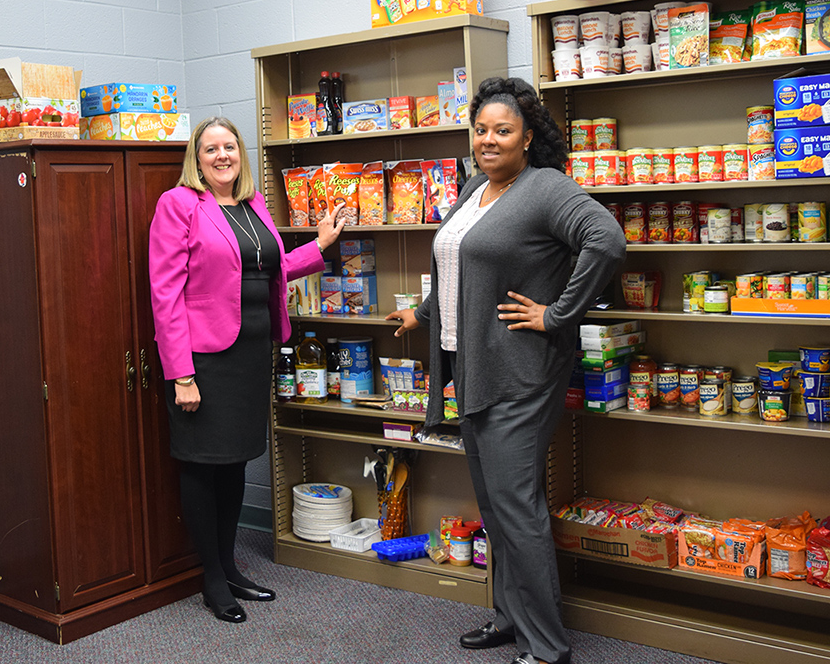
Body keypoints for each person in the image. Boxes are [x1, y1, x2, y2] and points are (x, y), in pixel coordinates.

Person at [386, 77, 625, 664]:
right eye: (481, 129)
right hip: (471, 368)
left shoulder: (545, 187)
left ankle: (548, 647)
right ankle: (510, 619)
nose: (488, 140)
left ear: (527, 138)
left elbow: (608, 239)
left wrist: (557, 315)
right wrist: (421, 314)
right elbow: (457, 266)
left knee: (516, 508)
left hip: (520, 372)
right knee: (496, 506)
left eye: (503, 131)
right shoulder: (475, 187)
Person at [149, 116, 346, 624]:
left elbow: (267, 267)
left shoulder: (253, 204)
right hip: (205, 359)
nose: (222, 156)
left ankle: (230, 566)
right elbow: (165, 293)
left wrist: (318, 246)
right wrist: (181, 375)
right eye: (211, 148)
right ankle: (212, 579)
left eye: (230, 147)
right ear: (197, 157)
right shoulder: (179, 205)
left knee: (235, 461)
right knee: (201, 463)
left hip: (252, 354)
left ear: (241, 153)